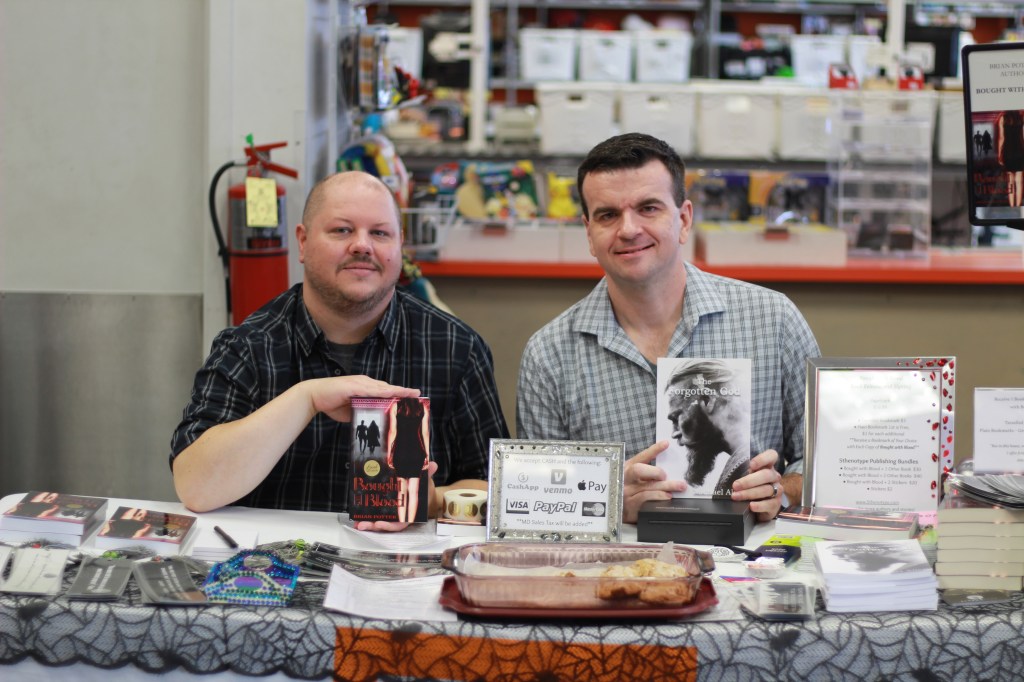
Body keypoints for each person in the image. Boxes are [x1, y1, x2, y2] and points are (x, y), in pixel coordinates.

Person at [170, 171, 509, 531]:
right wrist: (307, 398)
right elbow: (195, 487)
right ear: (302, 242)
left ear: (400, 245)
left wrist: (432, 501)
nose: (362, 245)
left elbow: (498, 489)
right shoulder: (248, 347)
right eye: (342, 230)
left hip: (407, 561)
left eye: (380, 233)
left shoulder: (457, 348)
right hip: (275, 561)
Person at [516, 133, 820, 524]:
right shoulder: (549, 355)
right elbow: (535, 503)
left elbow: (820, 463)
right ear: (589, 233)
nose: (629, 229)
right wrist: (607, 504)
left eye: (648, 208)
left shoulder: (773, 320)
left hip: (754, 553)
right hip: (615, 558)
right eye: (608, 215)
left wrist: (783, 491)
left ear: (684, 219)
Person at [386, 397, 430, 523]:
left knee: (401, 492)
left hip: (400, 452)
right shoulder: (423, 407)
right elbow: (425, 433)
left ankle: (401, 523)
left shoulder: (396, 406)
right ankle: (410, 524)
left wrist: (389, 454)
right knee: (414, 492)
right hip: (416, 452)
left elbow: (392, 432)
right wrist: (428, 455)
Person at [996, 110, 1024, 207]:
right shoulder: (1021, 117)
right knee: (1019, 182)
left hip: (1008, 153)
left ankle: (1012, 206)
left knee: (1010, 182)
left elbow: (1001, 138)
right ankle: (1018, 206)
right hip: (1020, 152)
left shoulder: (1003, 118)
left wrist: (999, 154)